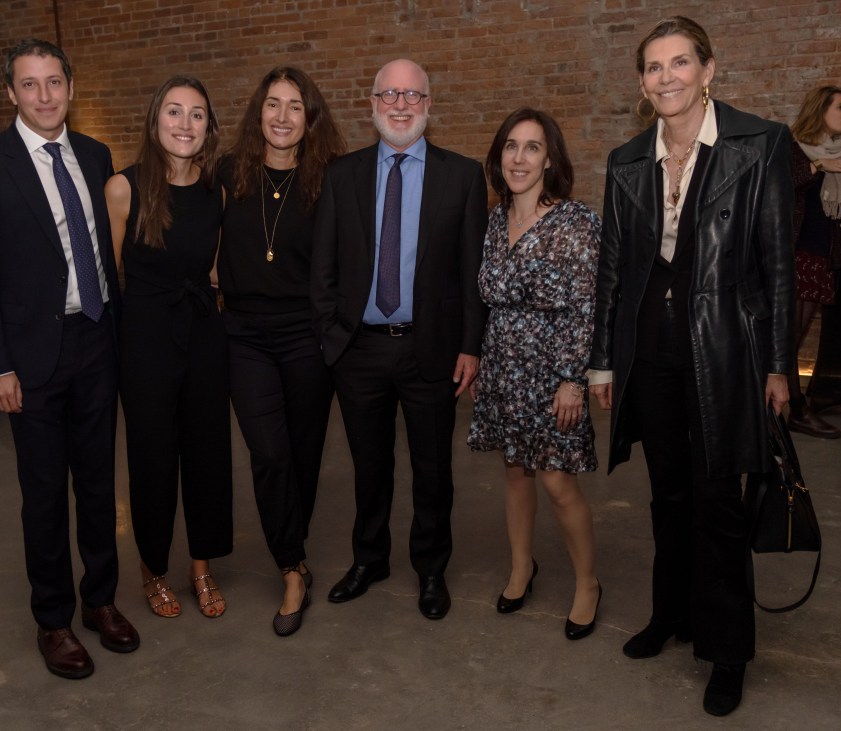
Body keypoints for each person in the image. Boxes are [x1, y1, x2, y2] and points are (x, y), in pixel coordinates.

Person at [589, 17, 793, 716]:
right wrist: (601, 365)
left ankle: (727, 646)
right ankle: (670, 613)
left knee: (718, 502)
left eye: (680, 62)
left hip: (724, 354)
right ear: (641, 81)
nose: (667, 76)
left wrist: (778, 364)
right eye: (653, 66)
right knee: (668, 496)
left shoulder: (757, 144)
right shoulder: (626, 161)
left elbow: (777, 266)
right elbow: (612, 271)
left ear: (709, 69)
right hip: (650, 356)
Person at [0, 38, 138, 680]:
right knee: (43, 496)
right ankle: (54, 619)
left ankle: (100, 601)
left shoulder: (93, 154)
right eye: (29, 85)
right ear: (11, 92)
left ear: (70, 85)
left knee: (96, 485)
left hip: (95, 340)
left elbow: (105, 250)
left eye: (54, 82)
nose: (44, 95)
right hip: (28, 358)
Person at [311, 58, 488, 620]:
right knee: (369, 465)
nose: (401, 104)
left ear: (429, 106)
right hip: (359, 349)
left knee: (433, 469)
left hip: (430, 349)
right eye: (390, 93)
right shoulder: (343, 174)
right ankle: (370, 559)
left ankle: (431, 569)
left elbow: (472, 274)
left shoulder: (461, 176)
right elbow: (323, 268)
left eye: (413, 95)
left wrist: (470, 345)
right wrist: (330, 338)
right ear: (371, 104)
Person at [219, 67, 345, 636]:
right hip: (243, 336)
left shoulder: (327, 181)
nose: (283, 116)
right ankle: (292, 566)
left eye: (296, 106)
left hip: (305, 336)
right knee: (269, 454)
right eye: (273, 104)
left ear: (309, 118)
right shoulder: (228, 174)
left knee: (302, 454)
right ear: (258, 113)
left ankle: (293, 546)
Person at [468, 108, 602, 639]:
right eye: (510, 147)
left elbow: (585, 306)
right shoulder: (495, 220)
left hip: (552, 370)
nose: (519, 158)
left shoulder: (577, 221)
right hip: (503, 364)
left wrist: (574, 378)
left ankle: (587, 583)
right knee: (514, 469)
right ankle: (522, 566)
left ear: (550, 159)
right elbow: (488, 301)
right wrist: (481, 358)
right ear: (499, 157)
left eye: (531, 147)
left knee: (556, 480)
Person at [105, 77, 233, 621]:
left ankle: (200, 567)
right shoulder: (123, 188)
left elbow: (214, 272)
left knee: (207, 456)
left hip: (203, 335)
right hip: (146, 338)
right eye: (174, 113)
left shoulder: (218, 192)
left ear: (209, 127)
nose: (185, 125)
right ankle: (152, 568)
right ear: (155, 122)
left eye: (197, 115)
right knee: (153, 459)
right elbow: (113, 278)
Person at [787, 86, 841, 439]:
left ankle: (785, 406)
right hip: (795, 255)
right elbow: (779, 187)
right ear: (821, 110)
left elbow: (825, 209)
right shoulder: (793, 147)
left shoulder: (837, 150)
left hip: (819, 254)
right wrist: (818, 165)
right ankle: (797, 411)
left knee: (792, 339)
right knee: (788, 338)